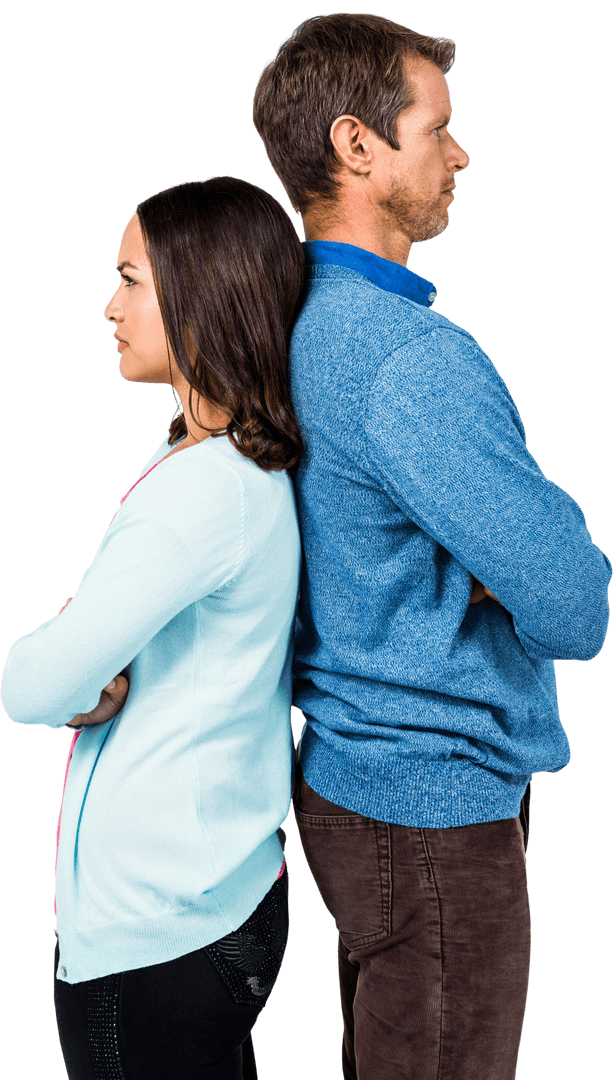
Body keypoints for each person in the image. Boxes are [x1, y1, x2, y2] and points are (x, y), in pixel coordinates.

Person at [252, 13, 611, 1080]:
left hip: (353, 788)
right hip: (434, 811)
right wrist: (498, 579)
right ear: (358, 146)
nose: (460, 155)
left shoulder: (285, 321)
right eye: (437, 130)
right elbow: (576, 603)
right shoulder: (405, 361)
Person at [1, 176, 305, 1080]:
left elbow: (28, 686)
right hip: (211, 900)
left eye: (130, 281)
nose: (109, 306)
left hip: (155, 940)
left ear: (199, 295)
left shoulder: (199, 493)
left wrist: (74, 660)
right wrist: (89, 659)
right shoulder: (213, 453)